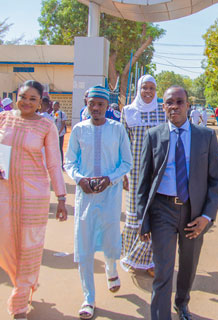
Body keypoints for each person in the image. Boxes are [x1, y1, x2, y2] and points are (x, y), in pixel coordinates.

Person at [0, 80, 68, 319]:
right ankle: (27, 283)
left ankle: (19, 301)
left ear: (40, 103)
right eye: (23, 96)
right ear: (16, 96)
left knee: (29, 247)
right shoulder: (2, 119)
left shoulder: (46, 125)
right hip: (5, 192)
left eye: (33, 99)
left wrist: (60, 197)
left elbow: (53, 164)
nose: (27, 102)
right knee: (4, 244)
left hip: (34, 195)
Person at [131, 85, 218, 320]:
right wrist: (143, 220)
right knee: (163, 269)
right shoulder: (154, 136)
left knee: (188, 265)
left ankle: (182, 303)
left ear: (188, 105)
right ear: (163, 107)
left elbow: (215, 179)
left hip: (194, 212)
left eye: (179, 102)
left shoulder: (205, 136)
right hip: (162, 210)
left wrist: (207, 216)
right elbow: (143, 181)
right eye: (169, 102)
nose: (174, 107)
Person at [64, 85, 132, 319]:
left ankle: (111, 269)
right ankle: (88, 298)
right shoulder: (79, 130)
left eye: (100, 104)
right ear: (86, 104)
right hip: (85, 195)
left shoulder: (117, 129)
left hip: (110, 194)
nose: (95, 108)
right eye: (91, 103)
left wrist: (110, 179)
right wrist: (80, 180)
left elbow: (127, 162)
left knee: (111, 236)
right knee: (84, 244)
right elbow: (69, 162)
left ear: (106, 106)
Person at [119, 75, 165, 276]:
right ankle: (132, 254)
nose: (148, 92)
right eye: (144, 88)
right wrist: (123, 173)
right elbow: (122, 144)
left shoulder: (162, 112)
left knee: (155, 212)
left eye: (152, 88)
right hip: (135, 170)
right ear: (138, 89)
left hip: (157, 170)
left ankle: (151, 261)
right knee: (135, 213)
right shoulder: (128, 112)